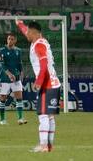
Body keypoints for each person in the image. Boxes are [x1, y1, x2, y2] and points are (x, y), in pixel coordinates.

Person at [16, 20, 61, 153]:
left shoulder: (38, 46)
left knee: (43, 115)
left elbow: (43, 65)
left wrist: (39, 81)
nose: (26, 34)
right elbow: (26, 31)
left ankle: (43, 145)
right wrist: (20, 24)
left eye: (28, 32)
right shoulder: (40, 41)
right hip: (54, 83)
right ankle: (49, 146)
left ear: (33, 32)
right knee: (50, 116)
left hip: (46, 84)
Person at [0, 32, 27, 125]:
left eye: (12, 39)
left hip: (16, 78)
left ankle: (20, 118)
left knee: (19, 98)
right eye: (9, 38)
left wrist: (21, 72)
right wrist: (9, 74)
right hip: (4, 78)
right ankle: (2, 120)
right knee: (3, 99)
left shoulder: (18, 50)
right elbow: (1, 64)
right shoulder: (2, 50)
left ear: (15, 40)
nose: (10, 40)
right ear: (7, 39)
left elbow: (19, 63)